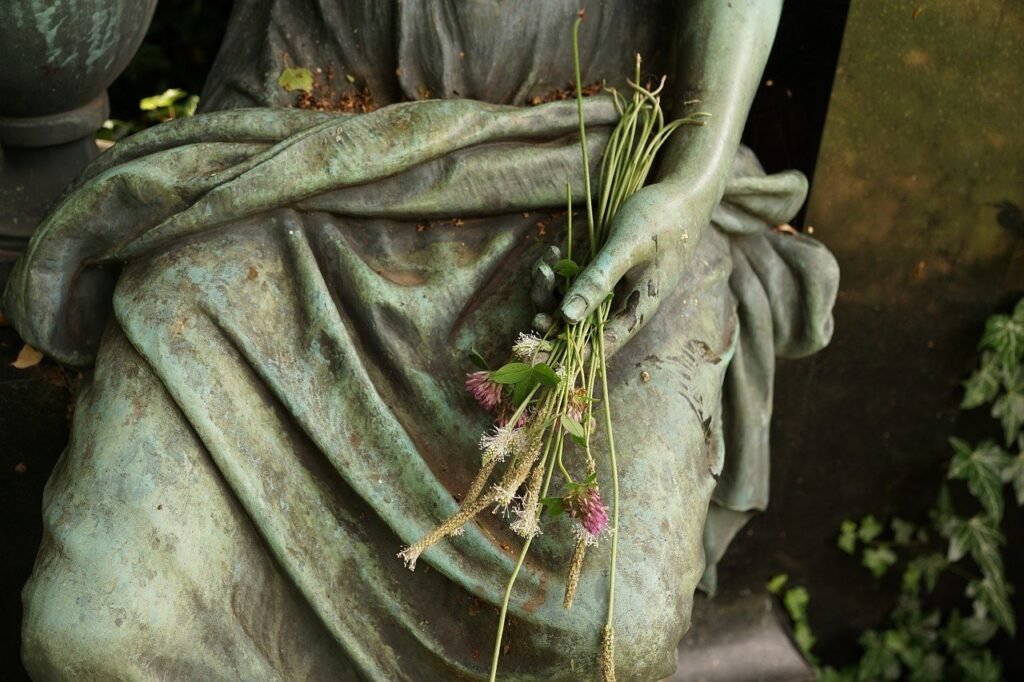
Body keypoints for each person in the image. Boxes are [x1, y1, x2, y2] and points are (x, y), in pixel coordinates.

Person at [4, 1, 838, 679]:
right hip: (302, 161)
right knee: (98, 631)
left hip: (592, 167)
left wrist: (691, 185)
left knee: (600, 632)